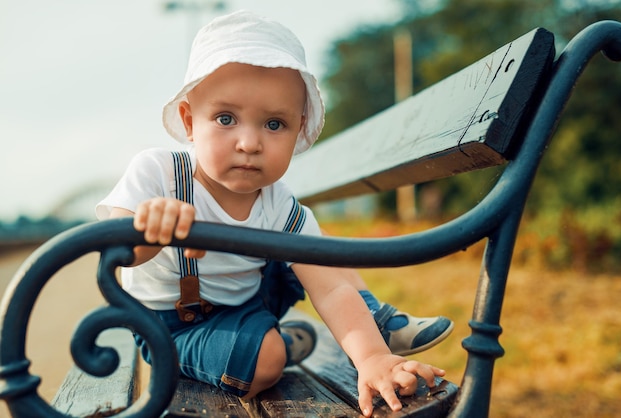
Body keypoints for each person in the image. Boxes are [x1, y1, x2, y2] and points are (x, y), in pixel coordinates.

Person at [96, 10, 451, 417]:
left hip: (250, 299)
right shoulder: (159, 174)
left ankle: (373, 327)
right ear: (189, 121)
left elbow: (331, 288)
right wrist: (148, 228)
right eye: (225, 118)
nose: (249, 142)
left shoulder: (280, 206)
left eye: (274, 124)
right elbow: (113, 251)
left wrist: (371, 358)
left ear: (299, 129)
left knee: (323, 257)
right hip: (171, 325)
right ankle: (276, 341)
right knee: (267, 361)